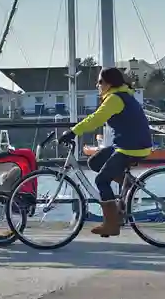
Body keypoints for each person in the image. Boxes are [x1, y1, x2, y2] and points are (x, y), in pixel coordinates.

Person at [58, 67, 153, 237]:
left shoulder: (115, 99)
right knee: (94, 162)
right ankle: (127, 183)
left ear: (109, 83)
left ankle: (111, 224)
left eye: (100, 82)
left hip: (131, 147)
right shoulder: (121, 95)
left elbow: (96, 119)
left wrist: (73, 132)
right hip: (128, 144)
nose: (98, 85)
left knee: (102, 180)